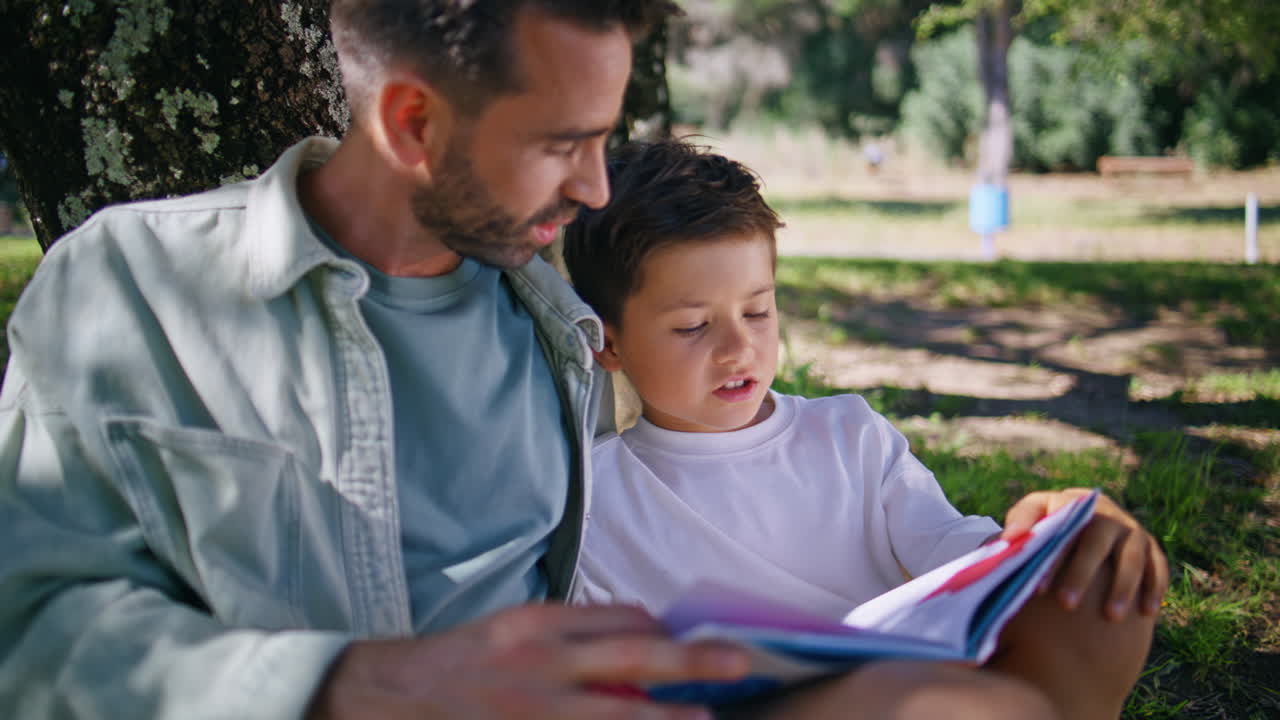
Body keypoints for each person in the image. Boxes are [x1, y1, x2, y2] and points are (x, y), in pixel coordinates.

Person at [0, 3, 764, 719]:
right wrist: (363, 685)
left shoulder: (565, 320)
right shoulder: (130, 288)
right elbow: (28, 631)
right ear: (412, 124)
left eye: (603, 140)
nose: (594, 188)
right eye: (561, 145)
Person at [561, 139, 1169, 720]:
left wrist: (1054, 536)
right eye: (694, 326)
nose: (738, 347)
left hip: (919, 680)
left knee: (1093, 588)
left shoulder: (847, 434)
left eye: (758, 310)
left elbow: (958, 553)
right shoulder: (599, 497)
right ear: (609, 344)